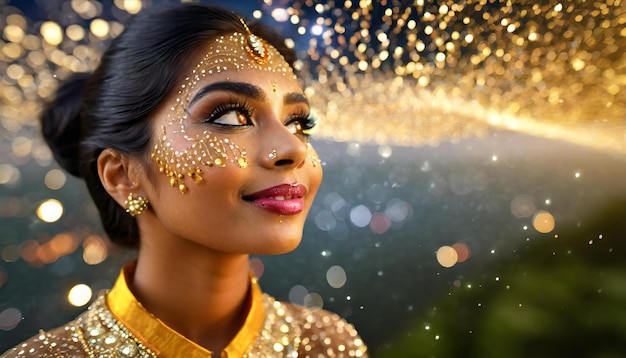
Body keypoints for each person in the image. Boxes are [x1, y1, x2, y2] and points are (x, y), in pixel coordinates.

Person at [1, 4, 367, 357]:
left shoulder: (326, 345)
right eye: (231, 117)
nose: (293, 148)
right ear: (123, 175)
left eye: (299, 123)